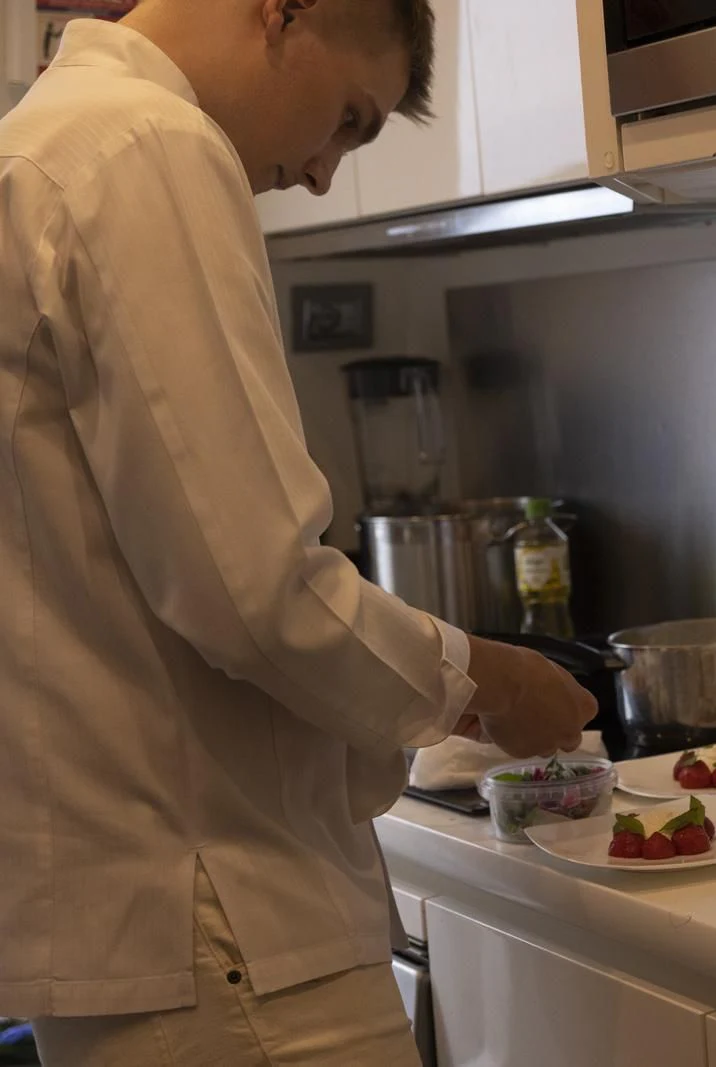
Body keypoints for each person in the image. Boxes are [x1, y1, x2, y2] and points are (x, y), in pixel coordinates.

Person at [0, 1, 598, 1063]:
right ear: (283, 11)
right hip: (225, 921)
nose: (326, 171)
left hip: (139, 923)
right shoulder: (146, 144)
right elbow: (253, 589)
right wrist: (485, 680)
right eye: (349, 118)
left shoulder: (38, 143)